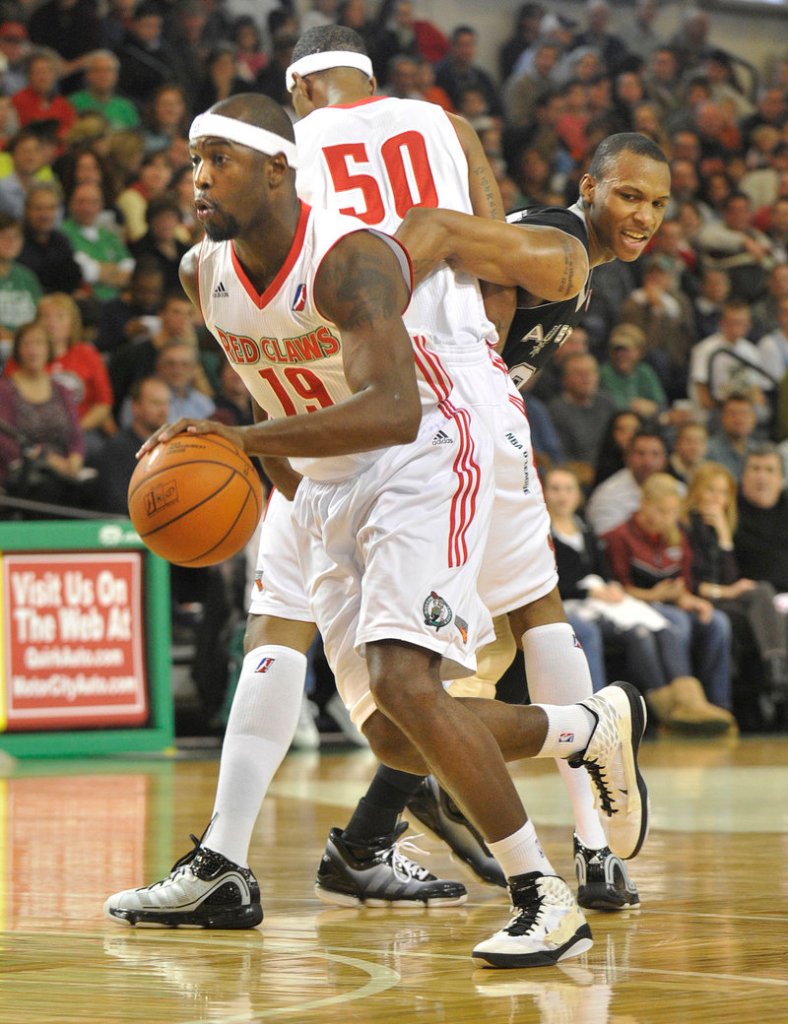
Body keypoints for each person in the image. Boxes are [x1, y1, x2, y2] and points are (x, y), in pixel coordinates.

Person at [103, 93, 649, 971]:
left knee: (409, 678)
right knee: (398, 734)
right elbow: (262, 382)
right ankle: (583, 728)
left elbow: (394, 410)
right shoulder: (199, 273)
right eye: (193, 159)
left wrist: (236, 447)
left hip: (425, 455)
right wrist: (269, 482)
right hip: (325, 485)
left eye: (221, 159)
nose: (198, 177)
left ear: (280, 168)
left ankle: (544, 896)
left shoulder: (350, 262)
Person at [602, 473, 735, 718]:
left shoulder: (677, 534)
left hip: (670, 602)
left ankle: (718, 703)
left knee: (718, 621)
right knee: (678, 621)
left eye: (673, 511)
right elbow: (618, 588)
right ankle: (683, 702)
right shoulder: (619, 536)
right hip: (636, 604)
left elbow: (683, 584)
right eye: (661, 510)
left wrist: (694, 601)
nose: (668, 518)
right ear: (644, 503)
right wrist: (653, 596)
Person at [683, 460, 788, 719]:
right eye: (711, 490)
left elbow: (729, 576)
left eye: (724, 492)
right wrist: (727, 593)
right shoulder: (685, 527)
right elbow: (690, 583)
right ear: (696, 491)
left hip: (721, 599)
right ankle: (775, 670)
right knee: (760, 599)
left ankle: (773, 677)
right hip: (697, 600)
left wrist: (724, 536)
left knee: (760, 599)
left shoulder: (718, 526)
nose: (718, 498)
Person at [0, 319, 86, 502]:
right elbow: (6, 441)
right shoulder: (5, 390)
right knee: (50, 488)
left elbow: (76, 434)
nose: (33, 350)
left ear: (48, 349)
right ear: (18, 350)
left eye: (39, 343)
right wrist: (50, 461)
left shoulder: (61, 390)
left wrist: (75, 459)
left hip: (64, 466)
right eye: (27, 344)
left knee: (92, 488)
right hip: (24, 468)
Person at [92, 375, 169, 513]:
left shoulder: (171, 445)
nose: (164, 411)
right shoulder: (116, 448)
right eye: (156, 403)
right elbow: (118, 502)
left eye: (166, 403)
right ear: (136, 407)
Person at [586, 427, 677, 536]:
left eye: (655, 454)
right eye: (641, 453)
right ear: (627, 457)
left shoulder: (678, 489)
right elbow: (608, 543)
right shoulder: (607, 496)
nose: (648, 461)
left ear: (665, 459)